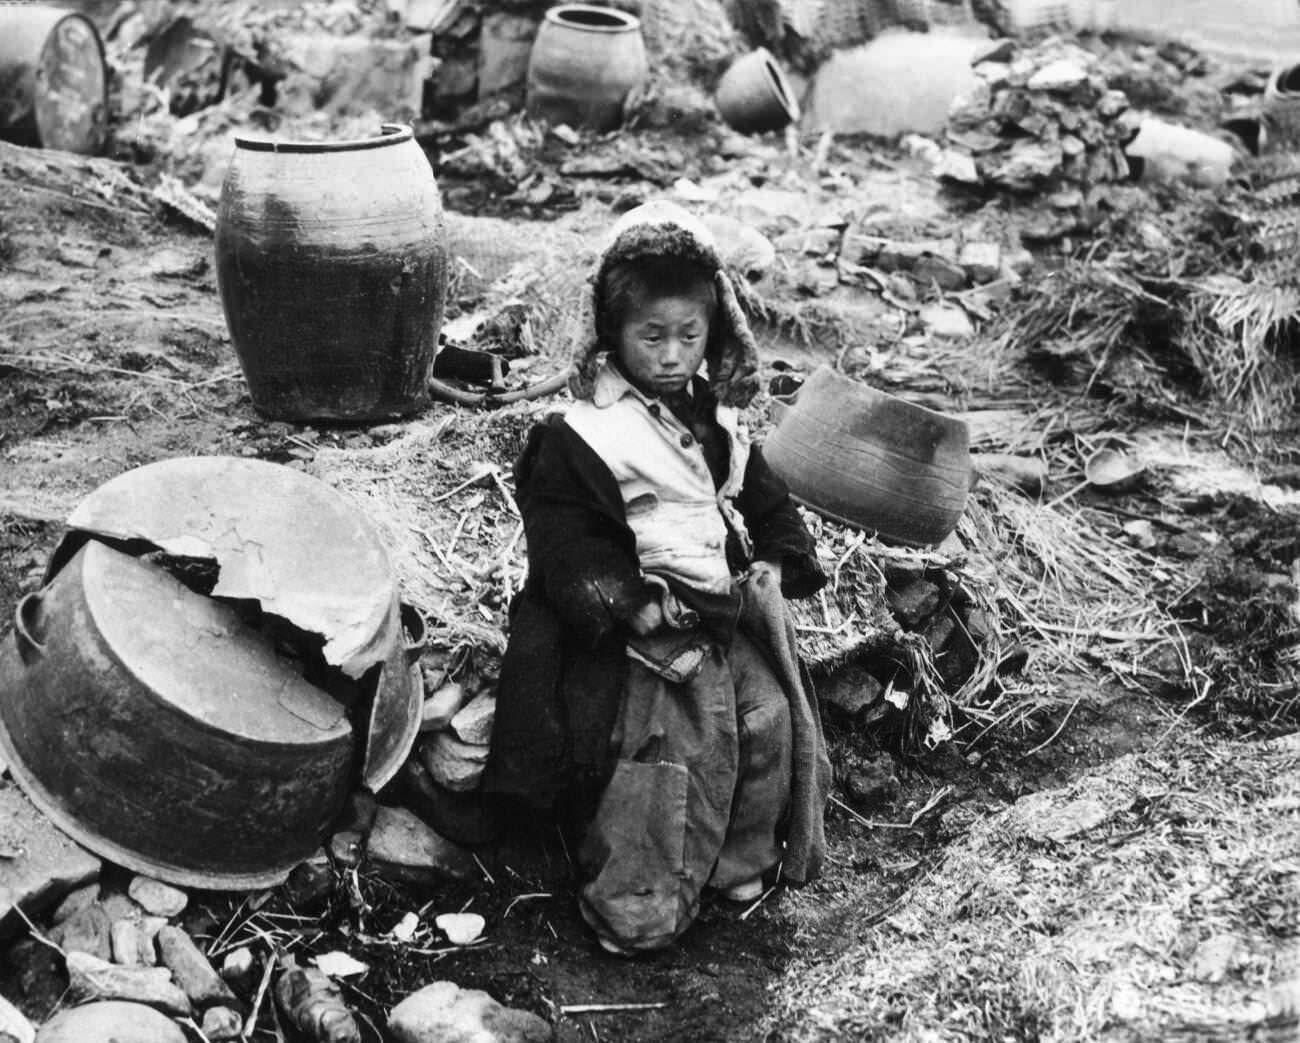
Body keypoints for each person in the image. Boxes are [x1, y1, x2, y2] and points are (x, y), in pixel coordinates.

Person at [482, 201, 831, 955]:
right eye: (651, 337)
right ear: (613, 332)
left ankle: (739, 861)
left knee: (765, 712)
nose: (672, 356)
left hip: (718, 606)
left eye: (689, 337)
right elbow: (563, 537)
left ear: (716, 333)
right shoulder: (584, 434)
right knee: (674, 749)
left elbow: (761, 492)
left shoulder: (715, 419)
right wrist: (627, 600)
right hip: (650, 618)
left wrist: (775, 554)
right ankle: (638, 906)